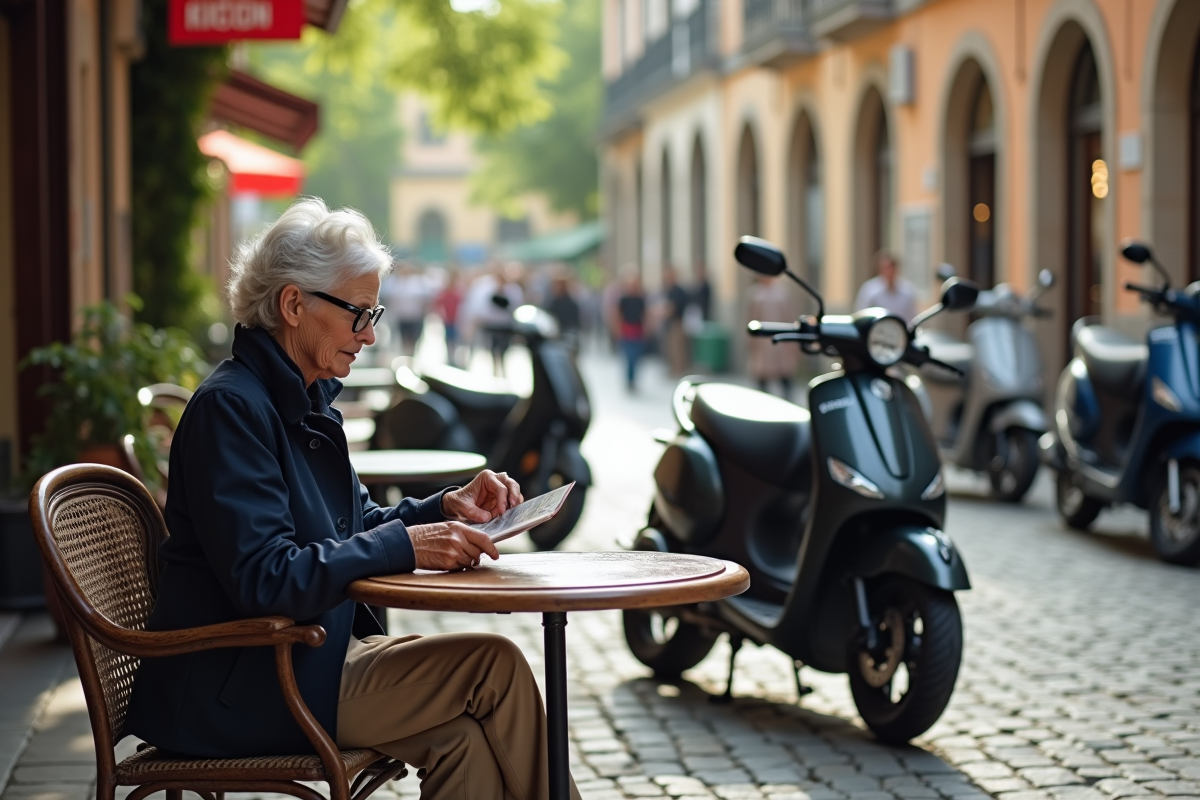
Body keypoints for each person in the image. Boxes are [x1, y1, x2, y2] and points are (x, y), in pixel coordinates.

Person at [124, 198, 580, 800]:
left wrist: (442, 511)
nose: (370, 334)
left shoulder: (301, 400)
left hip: (298, 655)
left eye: (375, 312)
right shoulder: (232, 409)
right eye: (358, 313)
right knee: (494, 665)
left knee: (463, 740)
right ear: (293, 304)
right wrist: (408, 542)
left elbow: (356, 524)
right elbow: (266, 578)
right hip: (244, 678)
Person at [745, 274, 800, 398]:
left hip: (781, 341)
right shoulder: (755, 294)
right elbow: (751, 319)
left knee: (785, 376)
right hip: (762, 342)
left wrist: (792, 343)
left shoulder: (782, 293)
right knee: (762, 378)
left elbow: (789, 318)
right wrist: (751, 341)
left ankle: (788, 401)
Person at [855, 249, 917, 321]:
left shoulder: (907, 290)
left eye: (891, 267)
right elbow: (861, 314)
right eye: (885, 268)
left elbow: (911, 316)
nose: (889, 271)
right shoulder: (869, 290)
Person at [611, 271, 647, 391]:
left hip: (637, 331)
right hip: (626, 331)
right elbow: (618, 315)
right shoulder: (623, 299)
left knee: (636, 358)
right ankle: (629, 380)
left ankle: (633, 380)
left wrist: (647, 329)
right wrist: (617, 330)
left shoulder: (641, 299)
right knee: (628, 358)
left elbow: (644, 315)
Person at [660, 266, 691, 376]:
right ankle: (674, 369)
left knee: (677, 349)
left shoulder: (677, 290)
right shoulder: (670, 289)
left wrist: (661, 313)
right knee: (671, 348)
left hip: (677, 323)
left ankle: (679, 371)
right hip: (671, 323)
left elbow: (672, 308)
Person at [433, 270, 465, 366]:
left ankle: (456, 357)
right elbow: (437, 303)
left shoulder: (459, 292)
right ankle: (450, 357)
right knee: (449, 339)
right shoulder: (445, 292)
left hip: (458, 320)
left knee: (457, 339)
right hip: (448, 320)